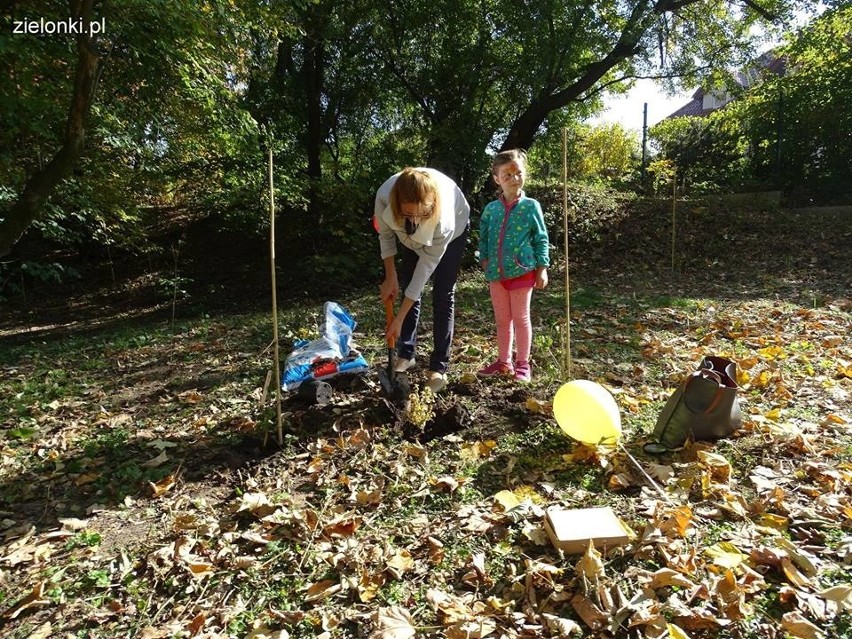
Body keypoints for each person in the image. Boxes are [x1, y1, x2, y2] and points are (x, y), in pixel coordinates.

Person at [375, 167, 470, 393]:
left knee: (442, 293)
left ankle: (438, 367)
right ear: (398, 205)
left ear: (431, 206)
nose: (414, 220)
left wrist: (398, 319)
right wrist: (390, 276)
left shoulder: (445, 220)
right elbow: (386, 236)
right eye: (408, 214)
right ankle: (406, 354)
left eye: (420, 214)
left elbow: (423, 274)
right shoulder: (384, 197)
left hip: (453, 235)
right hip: (408, 239)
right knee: (407, 284)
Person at [477, 149, 549, 382]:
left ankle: (523, 364)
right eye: (507, 175)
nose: (514, 179)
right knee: (501, 320)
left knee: (521, 318)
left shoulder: (531, 206)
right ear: (497, 179)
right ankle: (503, 361)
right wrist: (485, 260)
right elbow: (484, 237)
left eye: (518, 173)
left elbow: (541, 237)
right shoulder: (491, 209)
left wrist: (542, 266)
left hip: (522, 271)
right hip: (496, 273)